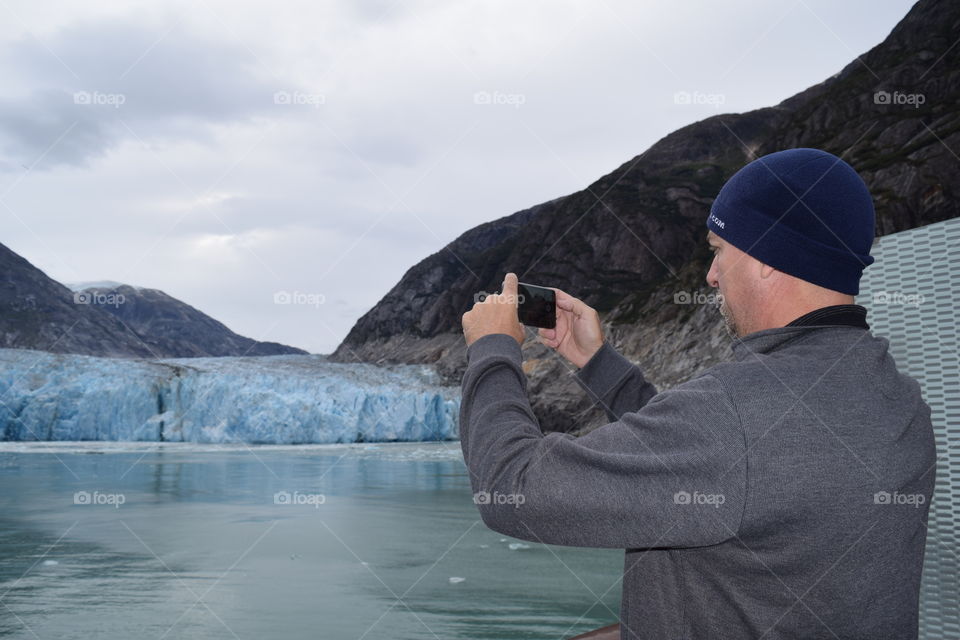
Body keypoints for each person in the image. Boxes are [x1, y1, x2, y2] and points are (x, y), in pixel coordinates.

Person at [459, 148, 936, 640]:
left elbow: (511, 488)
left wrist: (494, 349)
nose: (711, 274)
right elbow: (728, 466)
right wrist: (598, 363)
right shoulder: (899, 399)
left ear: (766, 257)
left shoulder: (737, 413)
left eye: (718, 249)